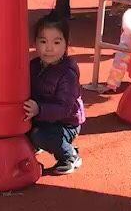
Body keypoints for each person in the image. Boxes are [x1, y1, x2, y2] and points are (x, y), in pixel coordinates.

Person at [25, 14, 86, 175]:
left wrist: (39, 109)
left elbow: (64, 108)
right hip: (41, 117)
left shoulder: (67, 73)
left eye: (56, 42)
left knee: (41, 135)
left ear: (66, 44)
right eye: (43, 41)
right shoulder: (33, 66)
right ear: (35, 43)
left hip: (66, 123)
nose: (49, 48)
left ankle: (70, 155)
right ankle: (36, 143)